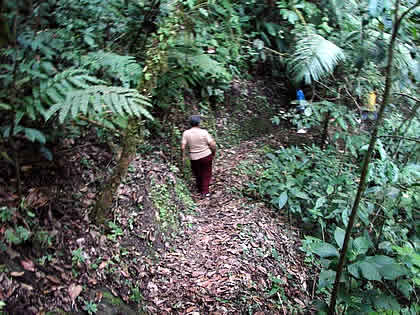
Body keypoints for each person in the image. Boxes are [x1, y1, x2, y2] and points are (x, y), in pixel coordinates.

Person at [181, 115, 216, 197]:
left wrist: (183, 156)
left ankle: (200, 188)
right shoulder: (204, 132)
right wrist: (213, 151)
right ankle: (205, 192)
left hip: (194, 157)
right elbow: (212, 144)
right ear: (199, 123)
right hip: (206, 155)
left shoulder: (186, 133)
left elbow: (183, 147)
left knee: (197, 173)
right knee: (206, 173)